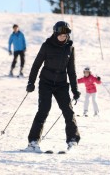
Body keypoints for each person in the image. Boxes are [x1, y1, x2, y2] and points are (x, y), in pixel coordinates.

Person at [25, 21, 81, 152]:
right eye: (61, 34)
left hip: (61, 84)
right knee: (44, 110)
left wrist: (75, 90)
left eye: (65, 34)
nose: (63, 36)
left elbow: (71, 71)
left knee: (68, 112)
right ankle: (33, 142)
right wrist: (31, 82)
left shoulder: (70, 48)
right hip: (46, 82)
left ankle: (73, 141)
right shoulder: (47, 46)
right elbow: (36, 65)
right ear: (55, 33)